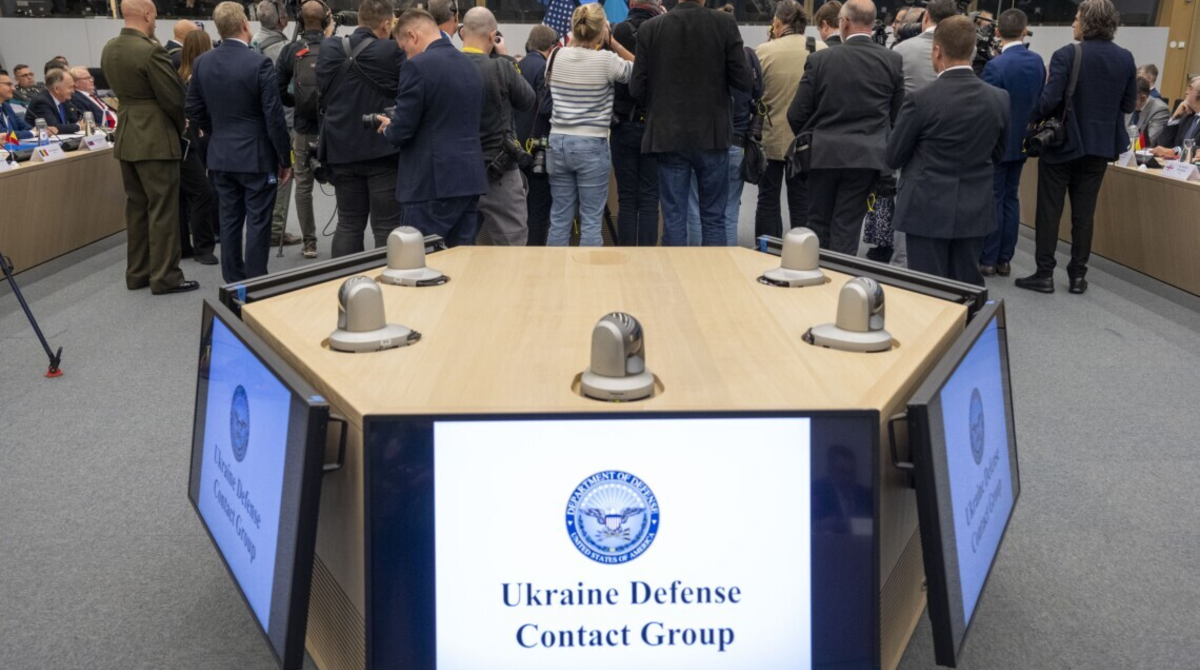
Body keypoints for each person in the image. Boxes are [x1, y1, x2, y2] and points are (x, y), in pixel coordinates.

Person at [1015, 0, 1135, 295]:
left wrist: (1029, 118)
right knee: (1084, 214)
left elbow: (1049, 100)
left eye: (1077, 18)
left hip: (1063, 144)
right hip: (1100, 147)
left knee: (1049, 211)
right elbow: (1128, 105)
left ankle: (1044, 274)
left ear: (1088, 22)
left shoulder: (1067, 54)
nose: (1073, 23)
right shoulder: (1125, 58)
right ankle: (1078, 277)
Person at [886, 15, 1009, 286]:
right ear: (973, 50)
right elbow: (998, 153)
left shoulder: (920, 100)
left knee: (928, 289)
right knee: (967, 287)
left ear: (937, 51)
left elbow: (893, 156)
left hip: (925, 209)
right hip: (975, 208)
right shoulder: (999, 99)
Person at [187, 1, 292, 284]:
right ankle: (257, 283)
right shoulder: (259, 63)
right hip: (256, 157)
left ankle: (234, 284)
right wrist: (285, 158)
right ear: (245, 24)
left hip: (221, 156)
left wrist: (216, 134)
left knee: (229, 221)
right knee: (258, 222)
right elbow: (274, 116)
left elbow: (193, 110)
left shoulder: (202, 63)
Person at [787, 0, 903, 255]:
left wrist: (812, 138)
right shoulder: (892, 61)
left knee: (817, 224)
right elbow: (896, 117)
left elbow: (796, 113)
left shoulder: (820, 60)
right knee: (847, 228)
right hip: (866, 158)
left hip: (823, 154)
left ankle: (815, 274)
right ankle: (840, 277)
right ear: (872, 22)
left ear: (844, 22)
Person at [630, 0, 750, 246]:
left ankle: (675, 271)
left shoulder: (650, 28)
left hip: (668, 134)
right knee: (714, 218)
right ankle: (712, 272)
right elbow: (743, 80)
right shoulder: (724, 23)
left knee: (674, 219)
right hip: (712, 134)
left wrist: (659, 104)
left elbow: (636, 88)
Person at [100, 0, 198, 294]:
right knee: (163, 209)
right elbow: (172, 98)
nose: (155, 22)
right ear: (146, 14)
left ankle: (138, 273)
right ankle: (166, 276)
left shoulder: (110, 48)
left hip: (127, 135)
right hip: (155, 138)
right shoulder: (151, 50)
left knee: (137, 208)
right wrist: (180, 124)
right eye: (154, 16)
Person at [379, 9, 486, 246]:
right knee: (463, 256)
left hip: (429, 183)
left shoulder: (417, 67)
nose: (407, 56)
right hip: (469, 179)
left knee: (421, 257)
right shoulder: (470, 66)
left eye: (405, 48)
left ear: (413, 35)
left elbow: (402, 129)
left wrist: (389, 128)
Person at [316, 0, 405, 257]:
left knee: (348, 223)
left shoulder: (329, 48)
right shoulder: (392, 51)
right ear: (386, 24)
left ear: (359, 19)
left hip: (341, 149)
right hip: (383, 151)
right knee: (386, 226)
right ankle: (387, 279)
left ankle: (346, 279)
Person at [544, 3, 635, 246]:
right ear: (601, 30)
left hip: (557, 141)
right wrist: (613, 42)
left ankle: (554, 268)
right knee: (591, 221)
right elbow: (639, 70)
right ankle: (588, 271)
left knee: (559, 218)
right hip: (592, 143)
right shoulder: (607, 60)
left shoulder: (555, 56)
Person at [459, 7, 536, 246]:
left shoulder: (446, 66)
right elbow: (528, 100)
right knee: (512, 244)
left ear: (462, 33)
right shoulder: (500, 67)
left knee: (458, 245)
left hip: (458, 172)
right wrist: (506, 58)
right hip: (499, 171)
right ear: (493, 36)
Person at [685, 3, 760, 246]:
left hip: (708, 139)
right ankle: (727, 260)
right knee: (729, 211)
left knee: (696, 207)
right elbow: (757, 93)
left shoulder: (705, 58)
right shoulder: (749, 57)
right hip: (738, 142)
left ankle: (694, 259)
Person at [978, 8, 1044, 278]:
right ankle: (1005, 259)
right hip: (1023, 142)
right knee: (1010, 197)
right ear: (1024, 30)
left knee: (993, 198)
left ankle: (988, 259)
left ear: (997, 32)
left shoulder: (995, 66)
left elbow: (986, 110)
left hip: (997, 144)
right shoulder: (1037, 62)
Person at [755, 0, 824, 240]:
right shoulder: (821, 49)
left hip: (770, 137)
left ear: (777, 22)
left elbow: (754, 92)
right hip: (806, 142)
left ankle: (766, 250)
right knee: (802, 202)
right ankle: (801, 249)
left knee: (767, 199)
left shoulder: (764, 51)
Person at [277, 0, 332, 259]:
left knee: (302, 185)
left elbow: (278, 90)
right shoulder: (335, 47)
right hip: (333, 127)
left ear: (299, 21)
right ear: (326, 21)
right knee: (345, 180)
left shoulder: (290, 50)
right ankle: (347, 234)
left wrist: (297, 103)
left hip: (302, 127)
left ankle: (310, 243)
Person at [249, 0, 302, 249]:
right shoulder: (282, 49)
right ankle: (276, 229)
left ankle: (265, 225)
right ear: (281, 19)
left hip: (259, 120)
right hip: (284, 120)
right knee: (284, 175)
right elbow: (291, 89)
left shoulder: (253, 42)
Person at [611, 0, 663, 247]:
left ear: (632, 3)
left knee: (627, 198)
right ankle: (648, 256)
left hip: (623, 124)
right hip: (654, 125)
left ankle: (626, 255)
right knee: (650, 197)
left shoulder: (618, 31)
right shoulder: (663, 29)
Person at [177, 30, 220, 266]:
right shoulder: (203, 76)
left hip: (181, 140)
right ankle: (204, 245)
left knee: (181, 195)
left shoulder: (177, 77)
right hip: (198, 137)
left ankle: (183, 245)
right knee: (204, 191)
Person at [515, 25, 557, 246]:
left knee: (519, 210)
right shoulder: (544, 69)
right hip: (538, 150)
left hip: (515, 149)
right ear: (552, 47)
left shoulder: (517, 66)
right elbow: (546, 108)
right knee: (539, 210)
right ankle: (535, 253)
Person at [1151, 76, 1200, 158]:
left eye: (1190, 88)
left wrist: (1175, 151)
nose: (1186, 92)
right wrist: (1175, 117)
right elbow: (1163, 144)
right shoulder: (1187, 116)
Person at [25, 69, 82, 134]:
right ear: (57, 89)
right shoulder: (42, 102)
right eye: (70, 87)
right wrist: (79, 126)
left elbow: (74, 120)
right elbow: (54, 128)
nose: (73, 91)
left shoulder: (64, 100)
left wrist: (80, 123)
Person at [1127, 77, 1168, 147]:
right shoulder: (1128, 106)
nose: (1127, 101)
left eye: (1131, 99)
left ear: (1143, 98)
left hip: (1142, 151)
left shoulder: (1160, 110)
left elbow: (1147, 141)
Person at [0, 70, 35, 140]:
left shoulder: (6, 106)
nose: (13, 88)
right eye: (8, 84)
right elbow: (4, 135)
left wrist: (40, 130)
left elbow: (25, 127)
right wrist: (32, 133)